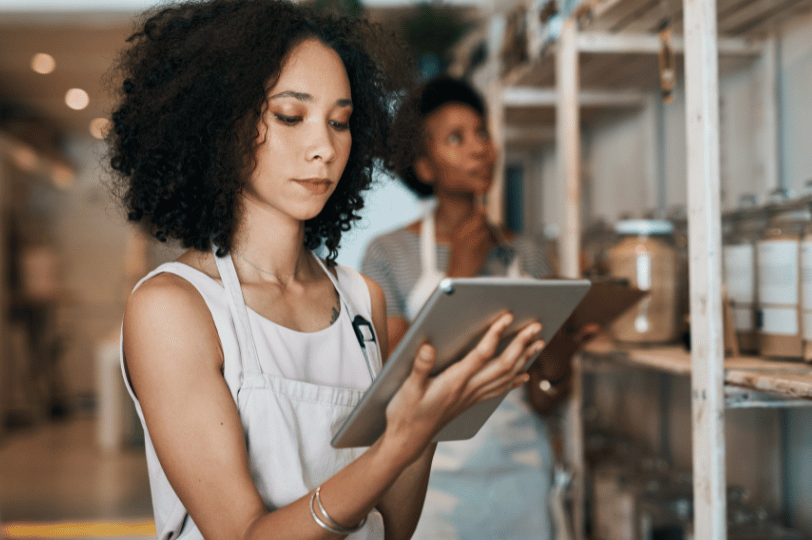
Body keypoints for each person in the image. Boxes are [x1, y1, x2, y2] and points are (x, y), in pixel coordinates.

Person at [107, 2, 546, 539]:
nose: (325, 147)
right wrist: (398, 445)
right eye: (291, 116)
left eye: (340, 121)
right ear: (221, 125)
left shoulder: (363, 299)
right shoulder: (174, 308)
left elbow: (394, 527)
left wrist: (430, 421)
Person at [361, 76, 595, 540]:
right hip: (431, 482)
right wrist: (462, 278)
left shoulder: (525, 255)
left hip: (521, 477)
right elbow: (398, 381)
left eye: (482, 133)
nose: (479, 149)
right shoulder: (388, 254)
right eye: (456, 138)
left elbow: (545, 401)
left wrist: (560, 358)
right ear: (424, 167)